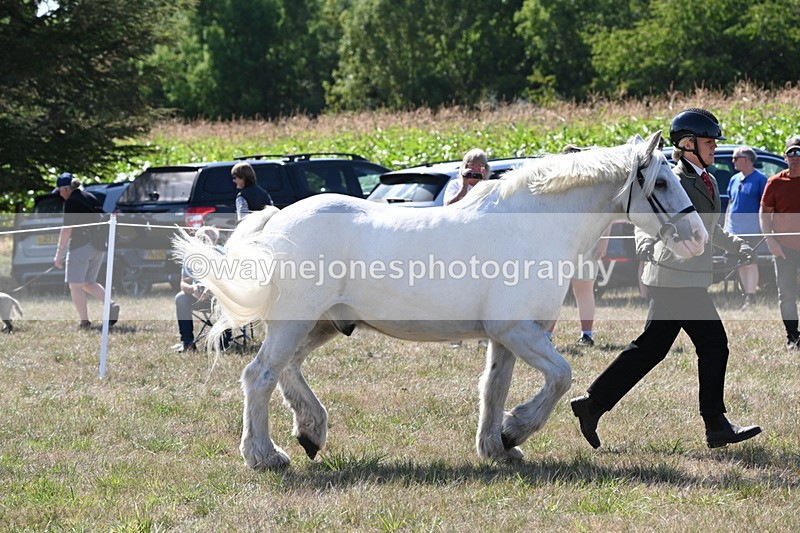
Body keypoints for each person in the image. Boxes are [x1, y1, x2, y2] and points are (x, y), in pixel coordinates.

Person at [570, 108, 761, 450]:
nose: (715, 148)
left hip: (687, 278)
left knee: (651, 348)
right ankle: (715, 425)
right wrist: (646, 246)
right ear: (687, 144)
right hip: (675, 278)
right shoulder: (673, 178)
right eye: (708, 141)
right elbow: (648, 218)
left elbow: (710, 229)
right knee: (714, 344)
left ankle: (592, 403)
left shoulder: (708, 179)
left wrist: (739, 244)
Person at [53, 173, 120, 329]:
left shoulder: (71, 202)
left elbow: (67, 229)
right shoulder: (90, 197)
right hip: (97, 247)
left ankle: (84, 322)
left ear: (65, 189)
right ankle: (110, 304)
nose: (59, 194)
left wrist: (59, 253)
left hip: (80, 247)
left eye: (59, 191)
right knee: (88, 283)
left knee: (75, 285)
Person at [759, 135, 800, 349]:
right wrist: (770, 241)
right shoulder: (775, 182)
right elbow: (764, 214)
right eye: (792, 153)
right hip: (784, 249)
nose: (796, 157)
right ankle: (793, 338)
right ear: (785, 157)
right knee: (786, 295)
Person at [725, 146, 767, 308]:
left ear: (747, 160)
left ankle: (751, 296)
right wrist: (726, 225)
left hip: (751, 229)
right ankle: (747, 295)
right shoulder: (734, 179)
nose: (733, 161)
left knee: (750, 262)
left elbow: (765, 206)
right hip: (734, 230)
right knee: (741, 264)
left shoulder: (760, 179)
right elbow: (730, 203)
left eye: (736, 158)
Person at [174, 227, 226, 352]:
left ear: (215, 240)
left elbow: (229, 283)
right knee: (180, 298)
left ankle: (223, 342)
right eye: (202, 239)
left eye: (208, 239)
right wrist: (193, 289)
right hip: (197, 296)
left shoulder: (223, 254)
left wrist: (212, 289)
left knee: (225, 298)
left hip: (219, 297)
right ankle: (187, 343)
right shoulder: (190, 257)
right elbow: (183, 284)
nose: (205, 242)